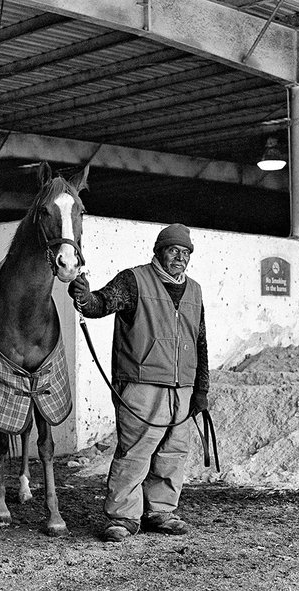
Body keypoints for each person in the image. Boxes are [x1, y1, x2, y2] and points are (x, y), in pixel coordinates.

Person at [68, 223, 210, 542]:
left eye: (185, 252)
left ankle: (159, 511)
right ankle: (122, 517)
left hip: (183, 387)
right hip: (141, 382)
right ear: (159, 251)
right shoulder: (134, 280)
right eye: (173, 250)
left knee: (174, 452)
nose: (180, 257)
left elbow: (200, 341)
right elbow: (101, 304)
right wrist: (84, 297)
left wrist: (201, 389)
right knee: (135, 450)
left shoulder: (195, 290)